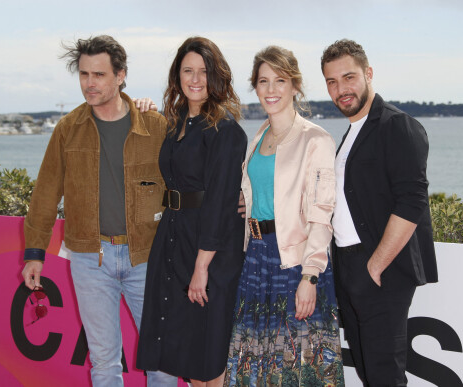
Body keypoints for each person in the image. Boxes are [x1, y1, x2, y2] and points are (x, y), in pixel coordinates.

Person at [21, 35, 177, 386]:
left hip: (147, 257)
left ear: (120, 76)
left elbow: (181, 188)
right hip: (90, 259)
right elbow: (45, 194)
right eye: (84, 74)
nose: (89, 84)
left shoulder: (154, 126)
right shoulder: (67, 129)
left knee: (163, 359)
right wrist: (34, 253)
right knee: (104, 361)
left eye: (99, 75)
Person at [224, 46, 345, 387]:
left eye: (280, 80)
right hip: (256, 258)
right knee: (255, 364)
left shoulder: (315, 139)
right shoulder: (259, 135)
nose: (271, 89)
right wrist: (252, 201)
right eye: (263, 81)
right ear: (256, 87)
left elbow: (322, 214)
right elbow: (267, 190)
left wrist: (310, 276)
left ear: (295, 86)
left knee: (296, 365)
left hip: (294, 262)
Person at [321, 39, 438, 387]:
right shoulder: (352, 133)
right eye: (331, 82)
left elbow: (412, 201)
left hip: (381, 270)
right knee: (368, 371)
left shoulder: (397, 126)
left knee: (385, 374)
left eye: (349, 77)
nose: (341, 89)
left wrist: (375, 265)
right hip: (349, 267)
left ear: (368, 73)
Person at [136, 37, 247, 387]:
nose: (195, 79)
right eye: (188, 71)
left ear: (216, 77)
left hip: (209, 250)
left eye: (203, 71)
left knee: (208, 357)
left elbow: (219, 204)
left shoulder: (225, 130)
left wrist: (201, 268)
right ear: (177, 76)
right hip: (174, 239)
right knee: (185, 354)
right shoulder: (176, 123)